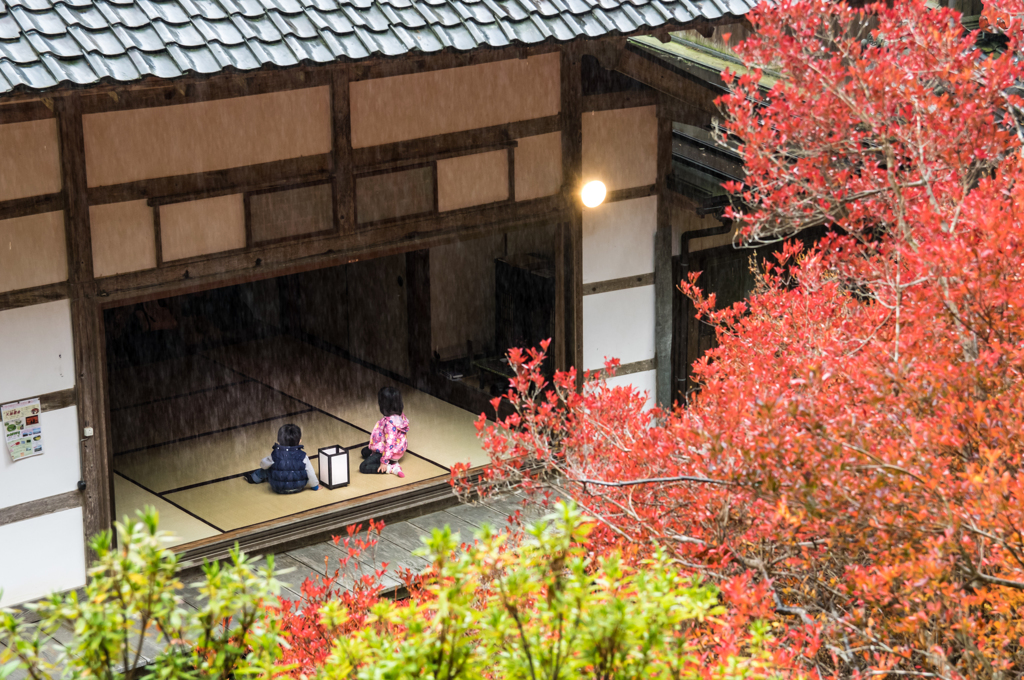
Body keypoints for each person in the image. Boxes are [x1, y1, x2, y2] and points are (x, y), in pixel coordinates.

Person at [243, 423, 319, 493]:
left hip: (278, 488)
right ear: (300, 441)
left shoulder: (275, 454)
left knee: (266, 469)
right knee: (305, 469)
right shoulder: (303, 456)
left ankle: (253, 478)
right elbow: (311, 474)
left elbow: (263, 465)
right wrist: (315, 486)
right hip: (298, 487)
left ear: (279, 440)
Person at [359, 386, 409, 478]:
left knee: (363, 466)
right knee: (365, 452)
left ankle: (391, 468)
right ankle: (393, 460)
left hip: (388, 452)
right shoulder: (400, 416)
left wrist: (384, 462)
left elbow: (390, 443)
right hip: (397, 450)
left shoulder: (389, 423)